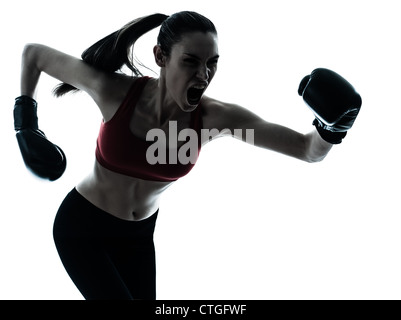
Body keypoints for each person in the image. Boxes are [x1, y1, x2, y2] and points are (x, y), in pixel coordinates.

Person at [14, 11, 361, 300]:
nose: (204, 75)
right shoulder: (113, 92)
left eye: (212, 63)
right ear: (161, 57)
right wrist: (26, 125)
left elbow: (306, 149)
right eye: (191, 62)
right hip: (82, 228)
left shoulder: (214, 119)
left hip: (137, 239)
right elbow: (34, 54)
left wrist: (333, 129)